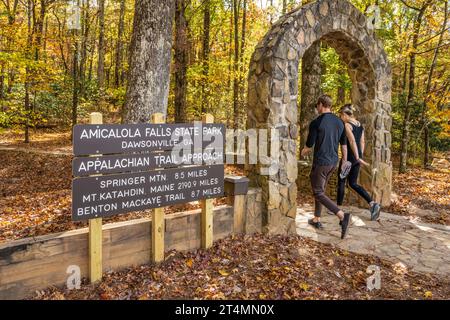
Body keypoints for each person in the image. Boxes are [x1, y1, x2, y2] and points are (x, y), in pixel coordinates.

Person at [301, 95, 352, 239]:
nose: (316, 108)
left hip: (321, 162)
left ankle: (342, 215)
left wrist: (302, 152)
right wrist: (344, 162)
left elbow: (309, 145)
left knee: (318, 192)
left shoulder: (317, 122)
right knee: (321, 190)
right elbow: (344, 145)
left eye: (317, 105)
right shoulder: (340, 122)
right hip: (334, 162)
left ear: (321, 104)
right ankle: (316, 219)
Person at [337, 104, 381, 221]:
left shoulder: (347, 125)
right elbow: (361, 142)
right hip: (357, 159)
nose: (340, 118)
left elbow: (351, 141)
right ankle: (372, 203)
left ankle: (338, 208)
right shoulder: (360, 125)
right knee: (353, 183)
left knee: (341, 181)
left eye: (341, 115)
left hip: (350, 158)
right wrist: (360, 156)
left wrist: (356, 156)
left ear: (346, 115)